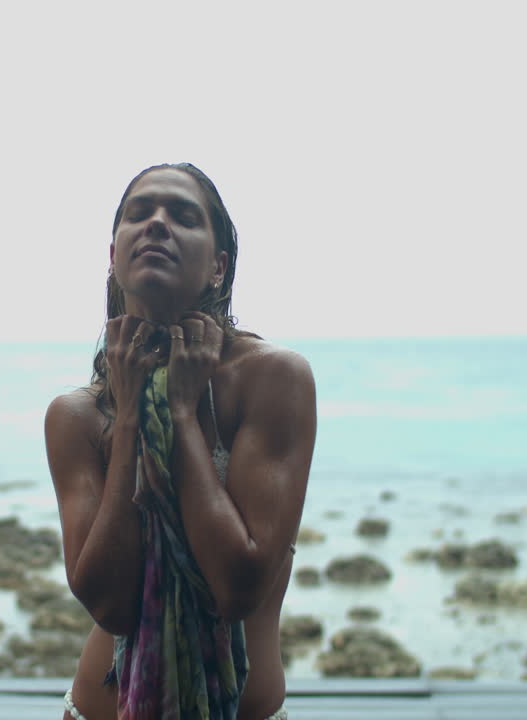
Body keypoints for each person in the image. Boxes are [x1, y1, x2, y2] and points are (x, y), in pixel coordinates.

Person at [45, 163, 317, 720]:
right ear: (115, 254)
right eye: (139, 214)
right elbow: (112, 603)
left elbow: (238, 587)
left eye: (184, 216)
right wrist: (129, 423)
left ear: (219, 267)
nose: (157, 224)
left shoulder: (272, 381)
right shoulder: (79, 415)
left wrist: (181, 414)